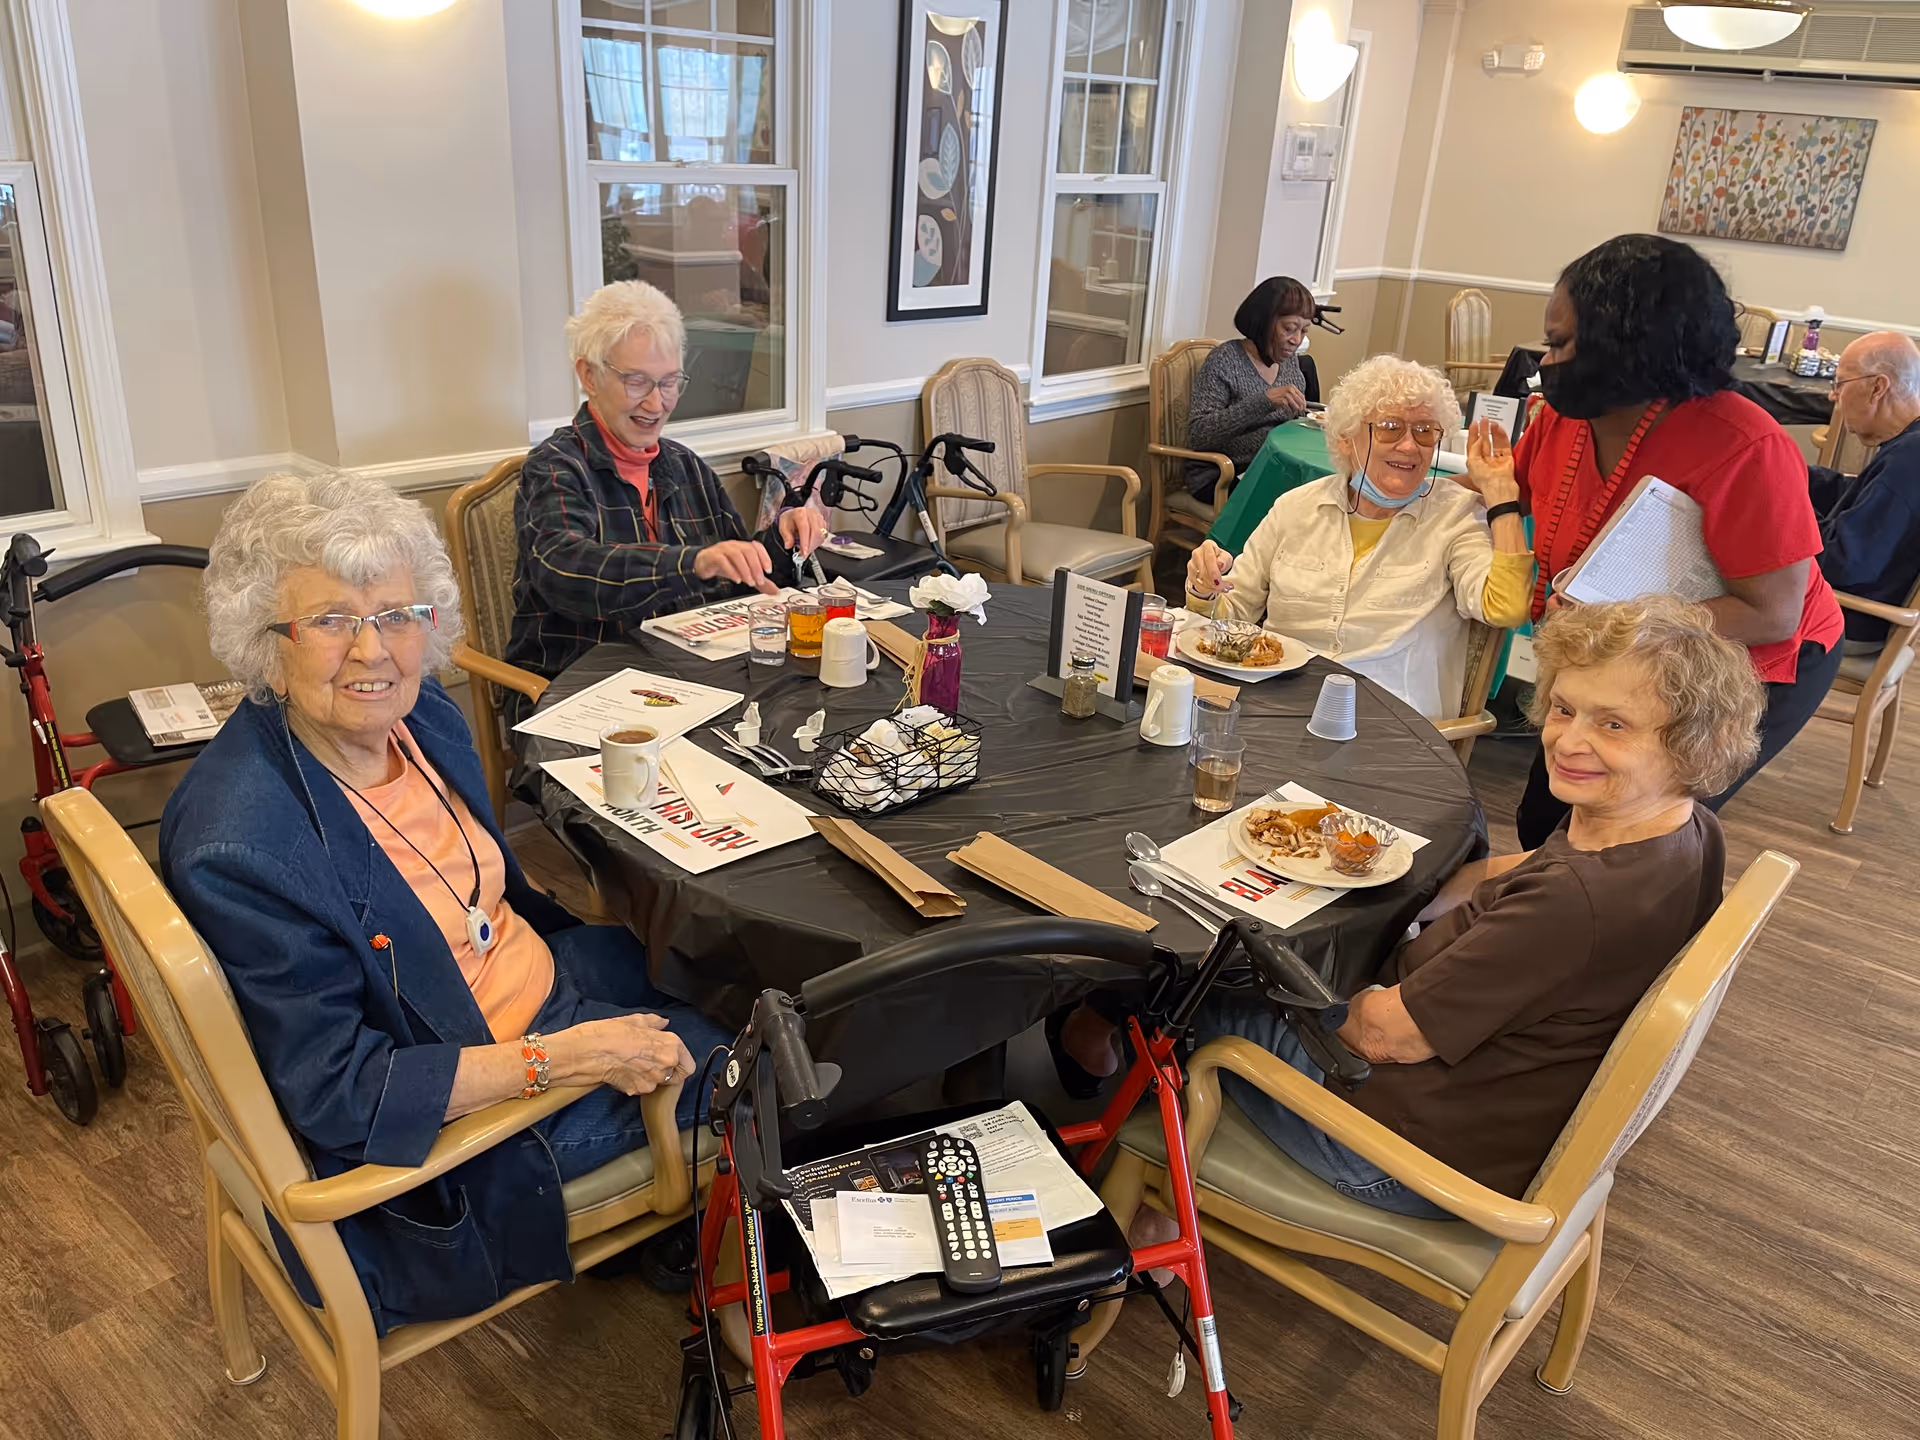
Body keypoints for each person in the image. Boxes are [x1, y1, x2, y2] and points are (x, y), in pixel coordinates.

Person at [161, 469, 736, 1338]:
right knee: (764, 1057)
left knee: (737, 969)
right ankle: (734, 1282)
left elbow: (479, 885)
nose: (374, 651)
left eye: (396, 614)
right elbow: (342, 1094)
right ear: (265, 640)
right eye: (330, 621)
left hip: (525, 984)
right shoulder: (244, 846)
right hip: (481, 1127)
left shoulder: (418, 712)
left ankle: (688, 1215)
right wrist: (566, 1057)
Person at [1056, 596, 1760, 1214]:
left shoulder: (1574, 909)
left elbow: (1379, 1038)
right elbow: (1538, 866)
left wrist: (1356, 977)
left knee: (1189, 983)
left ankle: (1147, 1189)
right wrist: (1424, 896)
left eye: (1614, 726)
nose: (1568, 739)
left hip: (1400, 1154)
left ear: (1693, 744)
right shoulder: (1683, 828)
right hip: (1504, 1108)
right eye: (1566, 707)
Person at [1505, 234, 1843, 847]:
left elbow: (1771, 613)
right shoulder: (1565, 416)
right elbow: (1517, 492)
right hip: (1623, 648)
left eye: (1559, 344)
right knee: (1547, 816)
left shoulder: (1744, 445)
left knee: (1629, 826)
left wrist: (1619, 622)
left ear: (1628, 349)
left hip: (1748, 656)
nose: (1543, 362)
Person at [504, 281, 826, 716]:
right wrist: (692, 563)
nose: (656, 403)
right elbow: (567, 573)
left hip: (689, 682)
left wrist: (780, 543)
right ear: (588, 376)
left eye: (670, 381)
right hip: (582, 692)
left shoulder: (685, 466)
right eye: (637, 381)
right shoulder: (555, 466)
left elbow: (735, 578)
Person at [1182, 354, 1532, 720]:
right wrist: (1206, 586)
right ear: (1346, 438)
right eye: (1390, 427)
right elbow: (1231, 615)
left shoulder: (1455, 516)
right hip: (1279, 713)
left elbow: (1505, 608)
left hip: (1390, 729)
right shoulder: (1296, 508)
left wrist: (1500, 495)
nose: (1411, 446)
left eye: (1425, 431)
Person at [1806, 331, 1920, 648]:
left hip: (1849, 618)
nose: (1833, 396)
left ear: (1877, 387)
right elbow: (1859, 496)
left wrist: (1784, 505)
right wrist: (1792, 474)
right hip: (1858, 605)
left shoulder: (1909, 460)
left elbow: (1843, 562)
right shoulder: (1908, 448)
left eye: (1840, 384)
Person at [1185, 276, 1323, 502]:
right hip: (1223, 476)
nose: (1296, 340)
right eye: (1289, 329)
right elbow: (1199, 435)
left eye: (1304, 331)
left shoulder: (1289, 361)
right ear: (1264, 322)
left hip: (1272, 468)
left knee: (1325, 496)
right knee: (1294, 507)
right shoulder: (1225, 360)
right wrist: (1265, 401)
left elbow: (1291, 419)